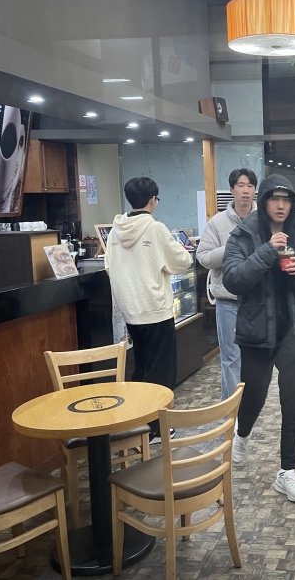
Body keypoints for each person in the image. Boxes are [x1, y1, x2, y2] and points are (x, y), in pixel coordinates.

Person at [222, 174, 295, 503]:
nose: (281, 205)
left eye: (287, 199)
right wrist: (268, 251)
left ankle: (287, 473)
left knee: (293, 403)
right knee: (254, 397)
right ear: (263, 200)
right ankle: (242, 433)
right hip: (256, 333)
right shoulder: (244, 234)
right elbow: (233, 279)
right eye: (274, 199)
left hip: (293, 330)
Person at [105, 177, 192, 442]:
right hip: (155, 309)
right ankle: (155, 428)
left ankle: (139, 423)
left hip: (130, 310)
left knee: (141, 367)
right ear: (153, 199)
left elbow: (109, 266)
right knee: (161, 372)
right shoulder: (155, 228)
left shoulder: (115, 230)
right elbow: (182, 261)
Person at [196, 168, 257, 401]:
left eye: (250, 185)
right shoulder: (217, 222)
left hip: (256, 301)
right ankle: (232, 410)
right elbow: (203, 257)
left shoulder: (264, 220)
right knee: (231, 357)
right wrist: (231, 247)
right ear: (232, 190)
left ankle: (249, 405)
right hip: (228, 301)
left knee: (254, 356)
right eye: (240, 185)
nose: (245, 190)